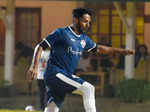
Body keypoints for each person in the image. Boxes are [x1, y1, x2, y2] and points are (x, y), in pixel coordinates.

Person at [27, 8, 134, 112]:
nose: (88, 25)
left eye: (89, 22)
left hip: (63, 75)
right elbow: (41, 46)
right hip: (54, 73)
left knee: (52, 108)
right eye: (85, 21)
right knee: (89, 88)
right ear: (75, 20)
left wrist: (121, 51)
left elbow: (100, 49)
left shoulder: (84, 39)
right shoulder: (61, 33)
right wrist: (34, 67)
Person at [29, 45, 50, 111]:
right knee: (41, 94)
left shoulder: (53, 47)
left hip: (49, 76)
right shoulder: (38, 47)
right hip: (40, 75)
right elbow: (34, 60)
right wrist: (32, 70)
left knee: (48, 94)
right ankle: (42, 109)